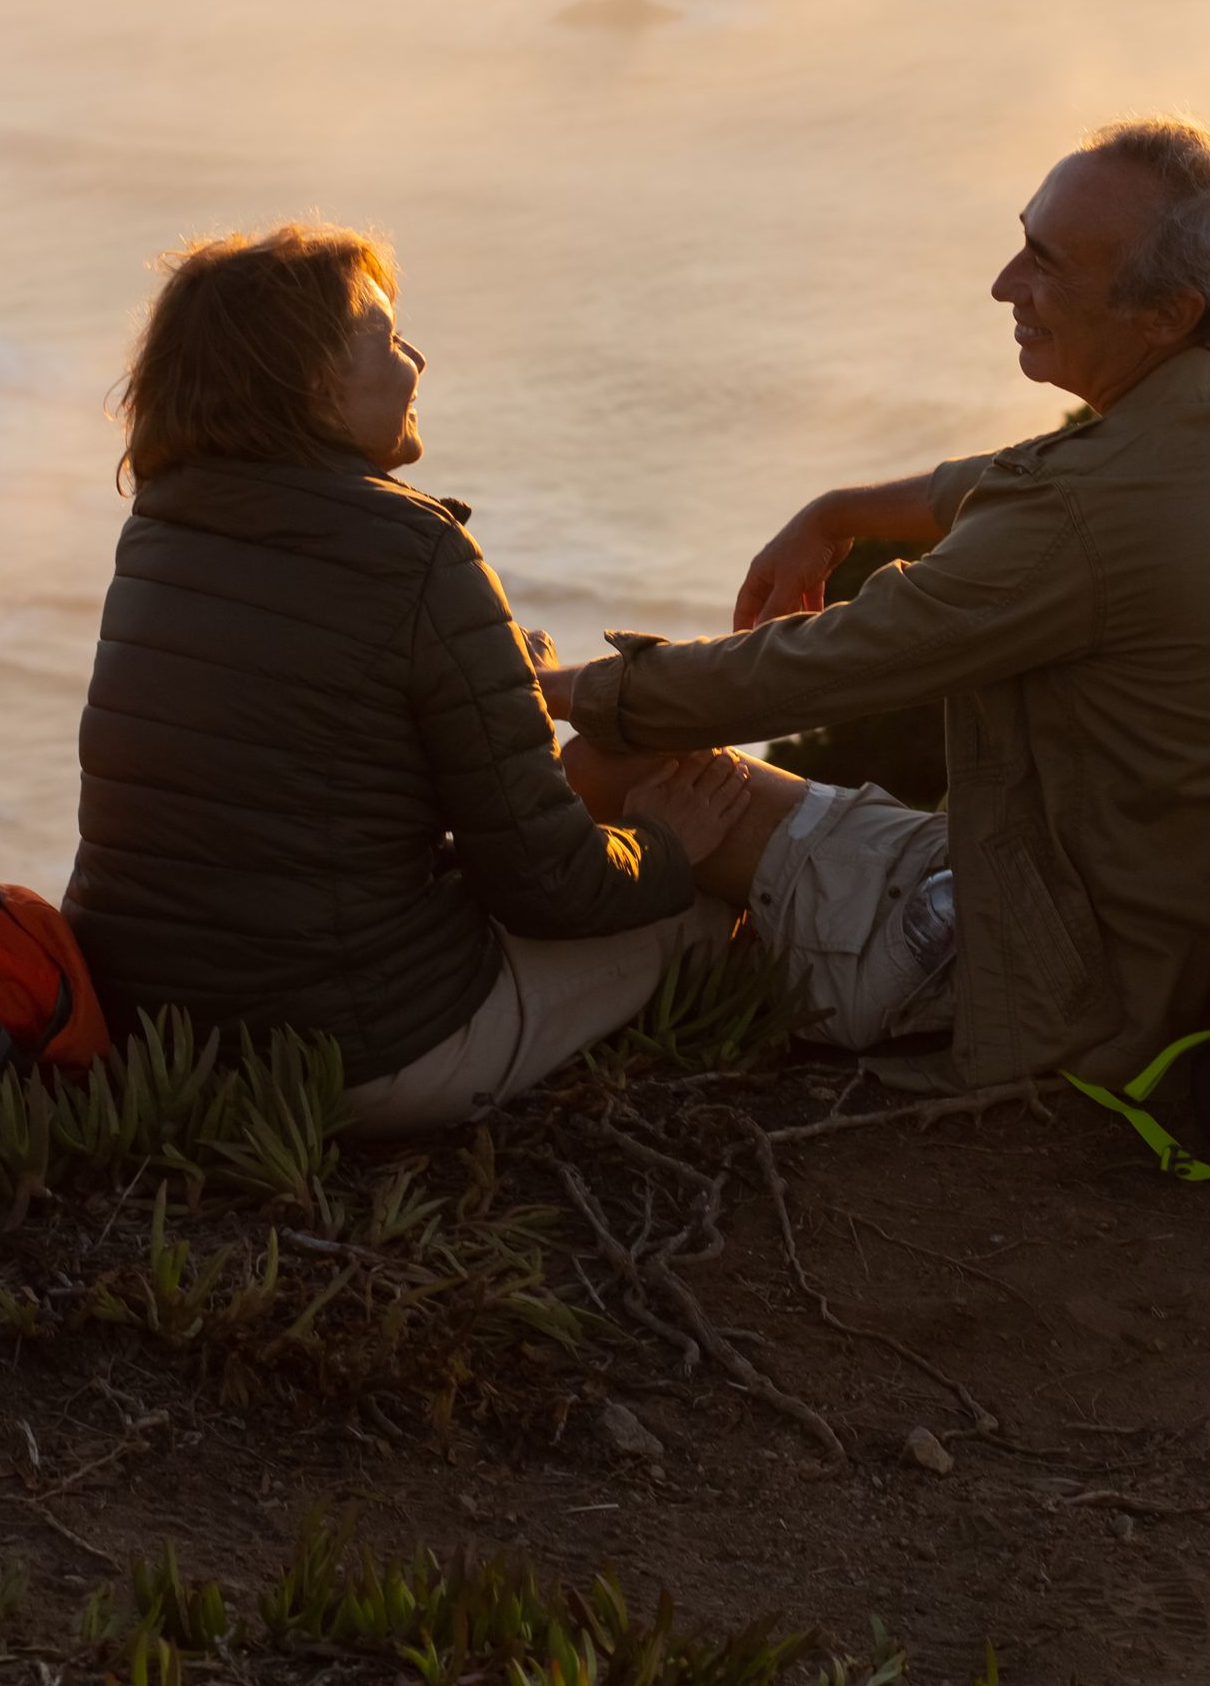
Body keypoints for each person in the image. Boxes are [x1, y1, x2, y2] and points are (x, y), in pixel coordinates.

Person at [543, 115, 1210, 1093]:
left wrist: (549, 687)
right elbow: (1028, 479)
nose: (1004, 283)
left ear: (1165, 312)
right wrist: (843, 511)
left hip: (1070, 985)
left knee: (611, 766)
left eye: (1045, 262)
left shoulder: (1082, 520)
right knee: (684, 796)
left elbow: (809, 669)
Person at [64, 224, 747, 1133]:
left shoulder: (162, 524)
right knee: (705, 913)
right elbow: (545, 884)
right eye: (387, 341)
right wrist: (667, 845)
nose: (416, 359)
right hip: (360, 1055)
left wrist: (495, 670)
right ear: (313, 384)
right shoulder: (415, 549)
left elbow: (309, 724)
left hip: (153, 1038)